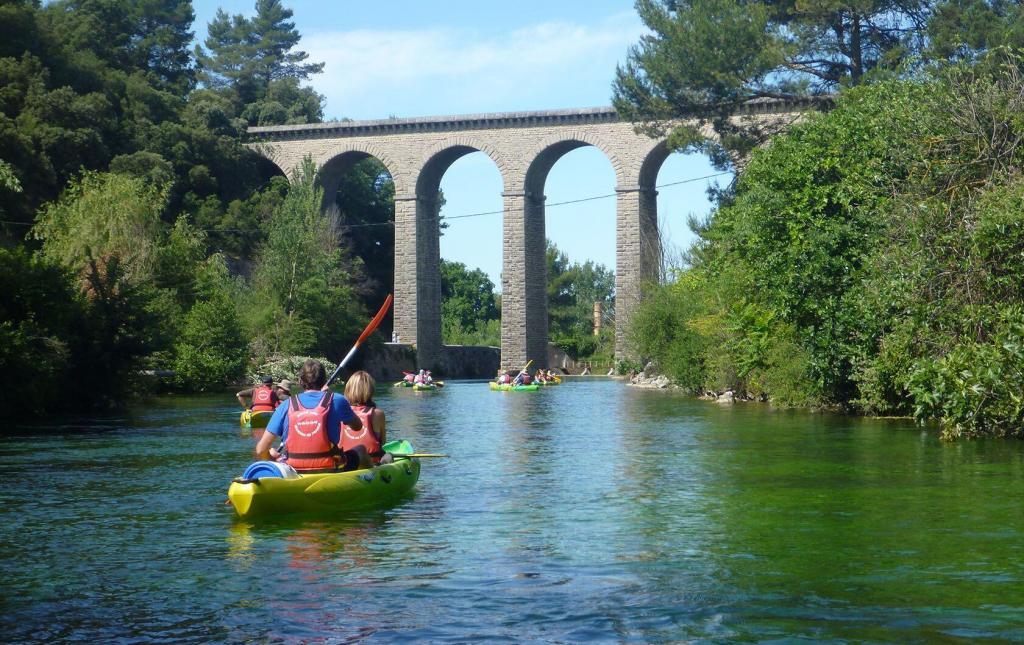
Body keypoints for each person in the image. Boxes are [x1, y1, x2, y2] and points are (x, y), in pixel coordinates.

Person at [255, 359, 363, 472]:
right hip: (330, 468)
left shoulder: (285, 405)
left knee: (272, 451)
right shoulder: (337, 400)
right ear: (324, 380)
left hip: (293, 470)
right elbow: (357, 426)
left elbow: (260, 450)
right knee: (361, 450)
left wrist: (272, 457)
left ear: (301, 381)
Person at [340, 371, 389, 466]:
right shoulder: (378, 414)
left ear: (348, 389)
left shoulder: (340, 412)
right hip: (371, 463)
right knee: (388, 456)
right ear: (370, 390)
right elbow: (382, 442)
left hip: (348, 464)